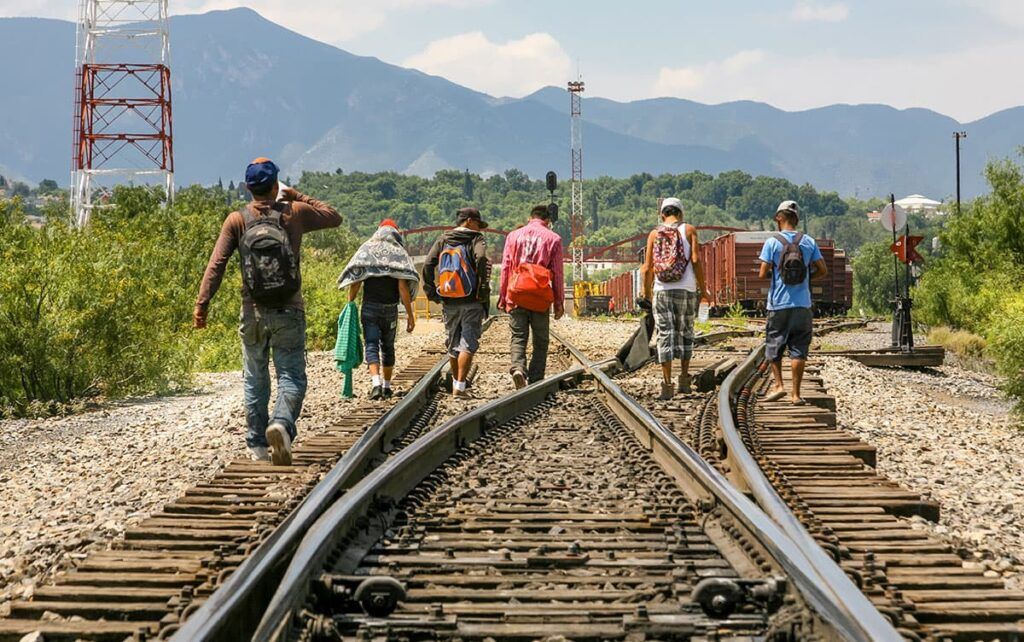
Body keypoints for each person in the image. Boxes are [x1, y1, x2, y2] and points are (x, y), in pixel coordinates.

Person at [194, 158, 341, 464]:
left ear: (248, 188)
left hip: (252, 311)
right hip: (289, 309)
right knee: (291, 375)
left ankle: (257, 445)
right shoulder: (294, 213)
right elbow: (333, 216)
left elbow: (216, 264)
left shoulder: (236, 220)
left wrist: (202, 305)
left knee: (255, 378)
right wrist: (297, 195)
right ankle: (282, 424)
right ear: (276, 185)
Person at [338, 219, 419, 400]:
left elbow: (357, 279)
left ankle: (376, 384)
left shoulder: (367, 250)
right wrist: (410, 315)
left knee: (372, 344)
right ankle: (387, 387)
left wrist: (350, 303)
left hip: (369, 309)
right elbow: (403, 289)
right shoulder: (399, 253)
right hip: (390, 310)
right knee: (388, 347)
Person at [758, 200, 828, 405]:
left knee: (774, 345)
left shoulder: (772, 242)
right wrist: (806, 278)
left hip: (778, 304)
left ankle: (779, 385)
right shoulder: (808, 242)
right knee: (799, 348)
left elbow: (763, 273)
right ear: (796, 219)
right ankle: (796, 394)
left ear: (780, 218)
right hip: (802, 304)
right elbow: (823, 270)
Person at [640, 197, 704, 401]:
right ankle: (683, 380)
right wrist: (703, 288)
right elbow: (695, 260)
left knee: (664, 333)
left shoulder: (653, 234)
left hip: (662, 289)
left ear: (662, 214)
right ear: (681, 213)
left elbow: (648, 267)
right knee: (686, 331)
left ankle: (666, 384)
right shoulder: (690, 230)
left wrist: (646, 292)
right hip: (686, 289)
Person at [422, 207, 490, 398]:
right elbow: (482, 258)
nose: (479, 228)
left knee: (453, 344)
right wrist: (482, 286)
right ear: (468, 221)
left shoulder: (443, 239)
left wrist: (431, 292)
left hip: (449, 299)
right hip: (471, 299)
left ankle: (455, 384)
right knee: (468, 342)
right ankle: (459, 387)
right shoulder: (476, 238)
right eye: (477, 223)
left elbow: (428, 264)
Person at [498, 204, 565, 388]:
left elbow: (505, 268)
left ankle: (518, 368)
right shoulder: (554, 239)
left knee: (518, 336)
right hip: (540, 296)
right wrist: (559, 302)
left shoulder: (513, 236)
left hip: (517, 293)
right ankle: (536, 380)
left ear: (530, 218)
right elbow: (557, 273)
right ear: (548, 221)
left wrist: (503, 295)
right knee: (541, 339)